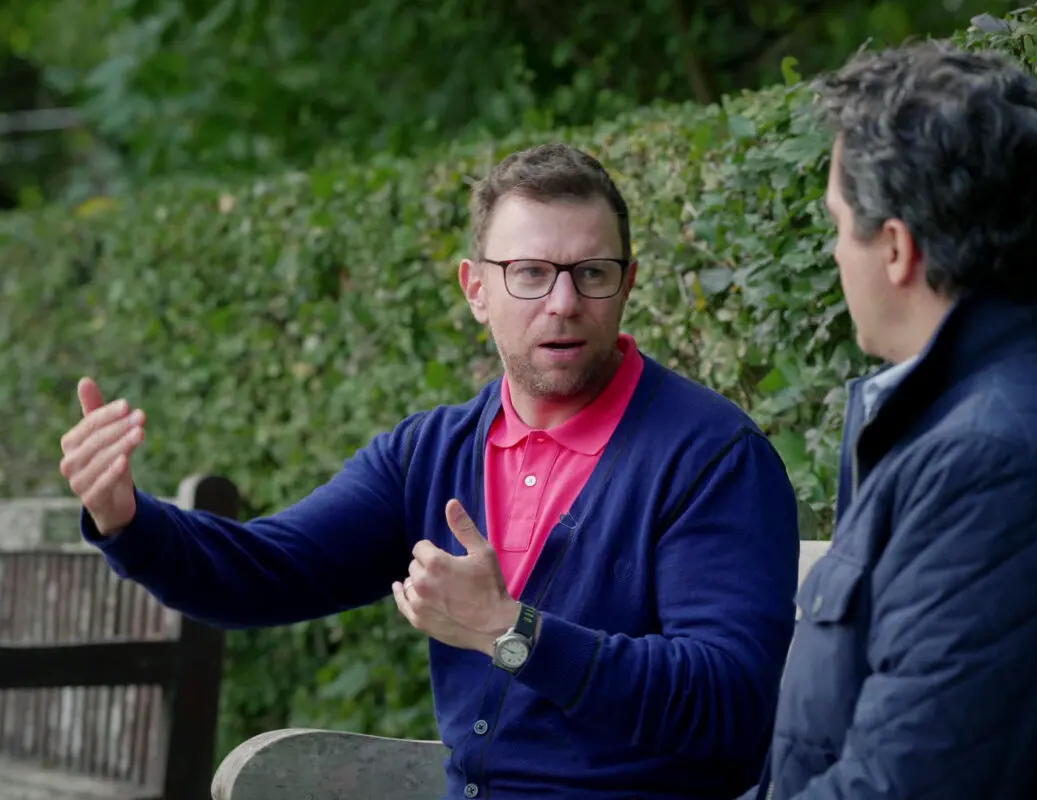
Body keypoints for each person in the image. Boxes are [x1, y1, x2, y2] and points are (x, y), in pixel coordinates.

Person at [58, 143, 801, 800]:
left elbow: (727, 705)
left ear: (628, 282)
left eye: (592, 273)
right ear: (476, 289)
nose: (565, 303)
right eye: (531, 273)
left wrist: (514, 632)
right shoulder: (430, 455)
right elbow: (266, 572)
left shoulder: (710, 458)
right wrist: (127, 519)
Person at [743, 41, 1037, 799]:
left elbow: (902, 786)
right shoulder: (972, 423)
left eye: (836, 224)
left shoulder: (998, 465)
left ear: (894, 248)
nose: (832, 253)